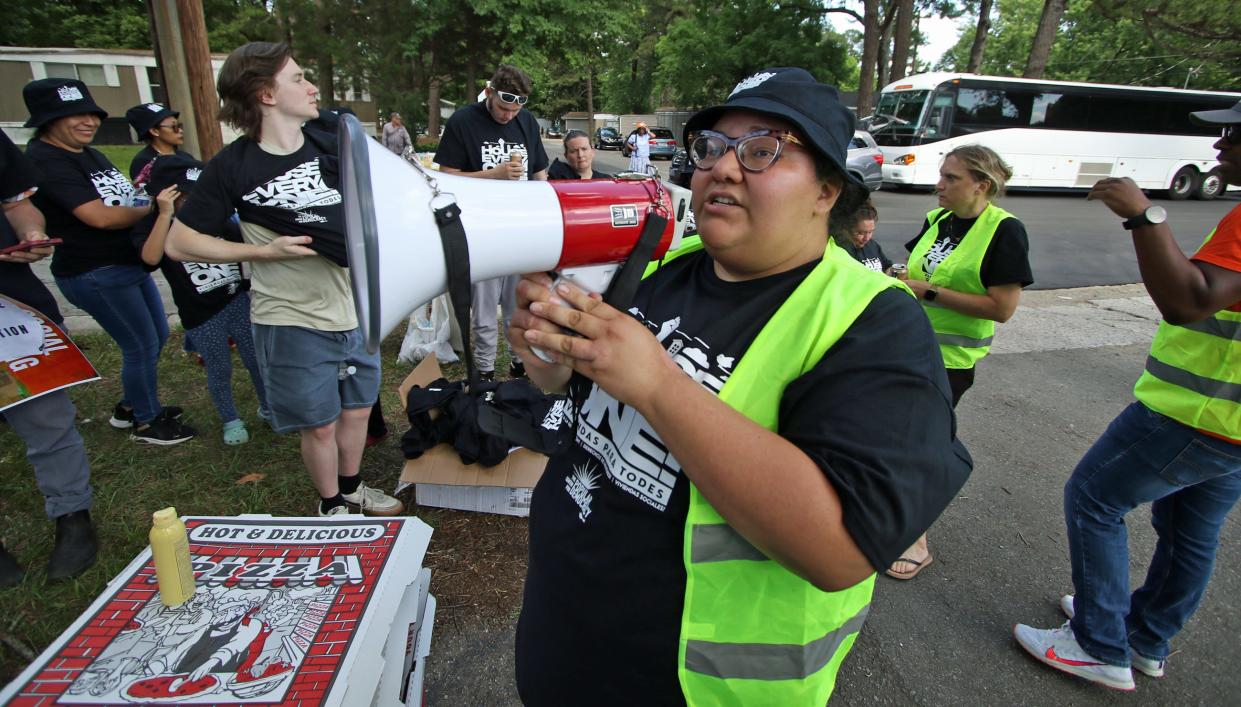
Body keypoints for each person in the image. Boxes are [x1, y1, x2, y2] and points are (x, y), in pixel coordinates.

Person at [510, 67, 972, 704]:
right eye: (711, 149)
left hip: (693, 687)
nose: (723, 169)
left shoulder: (875, 322)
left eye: (763, 151)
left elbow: (841, 551)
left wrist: (658, 384)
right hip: (564, 636)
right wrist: (554, 358)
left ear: (827, 191)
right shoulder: (665, 267)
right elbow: (586, 406)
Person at [1013, 101, 1241, 692]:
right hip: (1229, 425)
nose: (1220, 145)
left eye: (1233, 134)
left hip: (1196, 412)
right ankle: (1143, 640)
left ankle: (1097, 644)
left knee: (1094, 498)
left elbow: (1190, 301)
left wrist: (1143, 216)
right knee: (1190, 531)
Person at [166, 41, 402, 517]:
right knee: (318, 424)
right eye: (298, 78)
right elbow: (179, 242)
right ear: (265, 94)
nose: (312, 87)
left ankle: (353, 487)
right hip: (291, 318)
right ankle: (331, 503)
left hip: (355, 310)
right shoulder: (232, 166)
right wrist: (262, 252)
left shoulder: (330, 138)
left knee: (357, 410)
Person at [22, 77, 195, 445]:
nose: (88, 121)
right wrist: (154, 207)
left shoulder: (87, 152)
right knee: (140, 344)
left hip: (128, 264)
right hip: (95, 271)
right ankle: (147, 423)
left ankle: (130, 407)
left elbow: (126, 195)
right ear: (47, 119)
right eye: (73, 114)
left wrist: (141, 204)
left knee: (157, 335)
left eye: (91, 113)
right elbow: (99, 216)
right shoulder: (46, 159)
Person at [890, 144, 1033, 580]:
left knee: (922, 443)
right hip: (905, 346)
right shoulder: (940, 221)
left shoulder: (1004, 231)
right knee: (890, 434)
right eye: (942, 175)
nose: (940, 185)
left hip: (949, 361)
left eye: (951, 178)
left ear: (981, 185)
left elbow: (1001, 308)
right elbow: (918, 270)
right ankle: (883, 514)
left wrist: (923, 291)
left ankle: (915, 535)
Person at [0, 130, 98, 585]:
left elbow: (16, 202)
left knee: (47, 418)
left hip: (12, 307)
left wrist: (30, 231)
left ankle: (73, 516)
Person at [133, 154, 269, 445]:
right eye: (185, 195)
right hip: (201, 315)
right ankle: (231, 419)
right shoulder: (157, 224)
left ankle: (269, 407)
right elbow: (150, 258)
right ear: (166, 195)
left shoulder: (216, 218)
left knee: (257, 360)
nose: (195, 201)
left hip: (238, 302)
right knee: (219, 367)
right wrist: (164, 214)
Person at [435, 63, 549, 381]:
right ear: (489, 92)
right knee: (484, 311)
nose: (507, 116)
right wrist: (495, 175)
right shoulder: (463, 121)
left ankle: (518, 362)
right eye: (502, 108)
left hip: (520, 231)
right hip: (481, 230)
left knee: (517, 305)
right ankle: (484, 370)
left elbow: (540, 174)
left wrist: (544, 214)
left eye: (514, 110)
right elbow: (447, 178)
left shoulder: (526, 122)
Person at [125, 102, 191, 189]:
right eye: (174, 127)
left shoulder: (185, 156)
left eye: (179, 126)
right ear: (154, 131)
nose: (180, 131)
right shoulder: (144, 162)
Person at [835, 200, 891, 273]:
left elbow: (887, 266)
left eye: (870, 232)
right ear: (846, 229)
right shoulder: (841, 251)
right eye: (860, 233)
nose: (867, 238)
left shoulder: (873, 245)